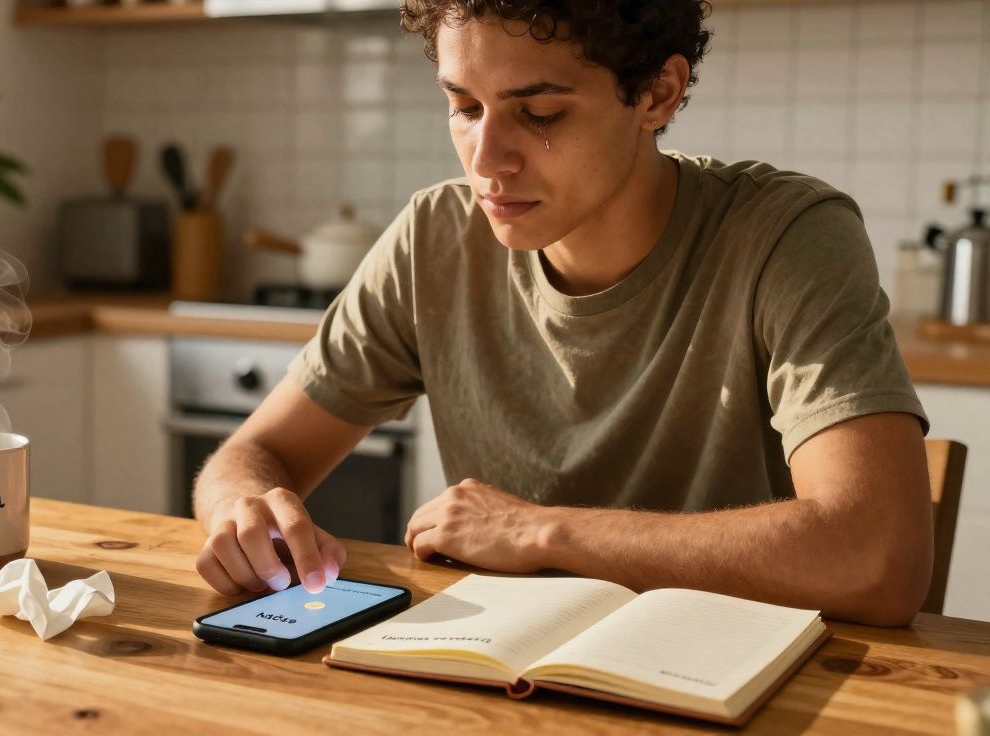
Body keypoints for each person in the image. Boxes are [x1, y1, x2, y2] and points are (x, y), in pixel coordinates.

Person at [192, 0, 934, 627]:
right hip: (499, 677)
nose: (486, 159)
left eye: (539, 112)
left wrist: (541, 531)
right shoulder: (433, 240)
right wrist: (245, 508)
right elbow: (251, 456)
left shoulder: (787, 237)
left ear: (656, 95)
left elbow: (877, 556)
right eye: (463, 106)